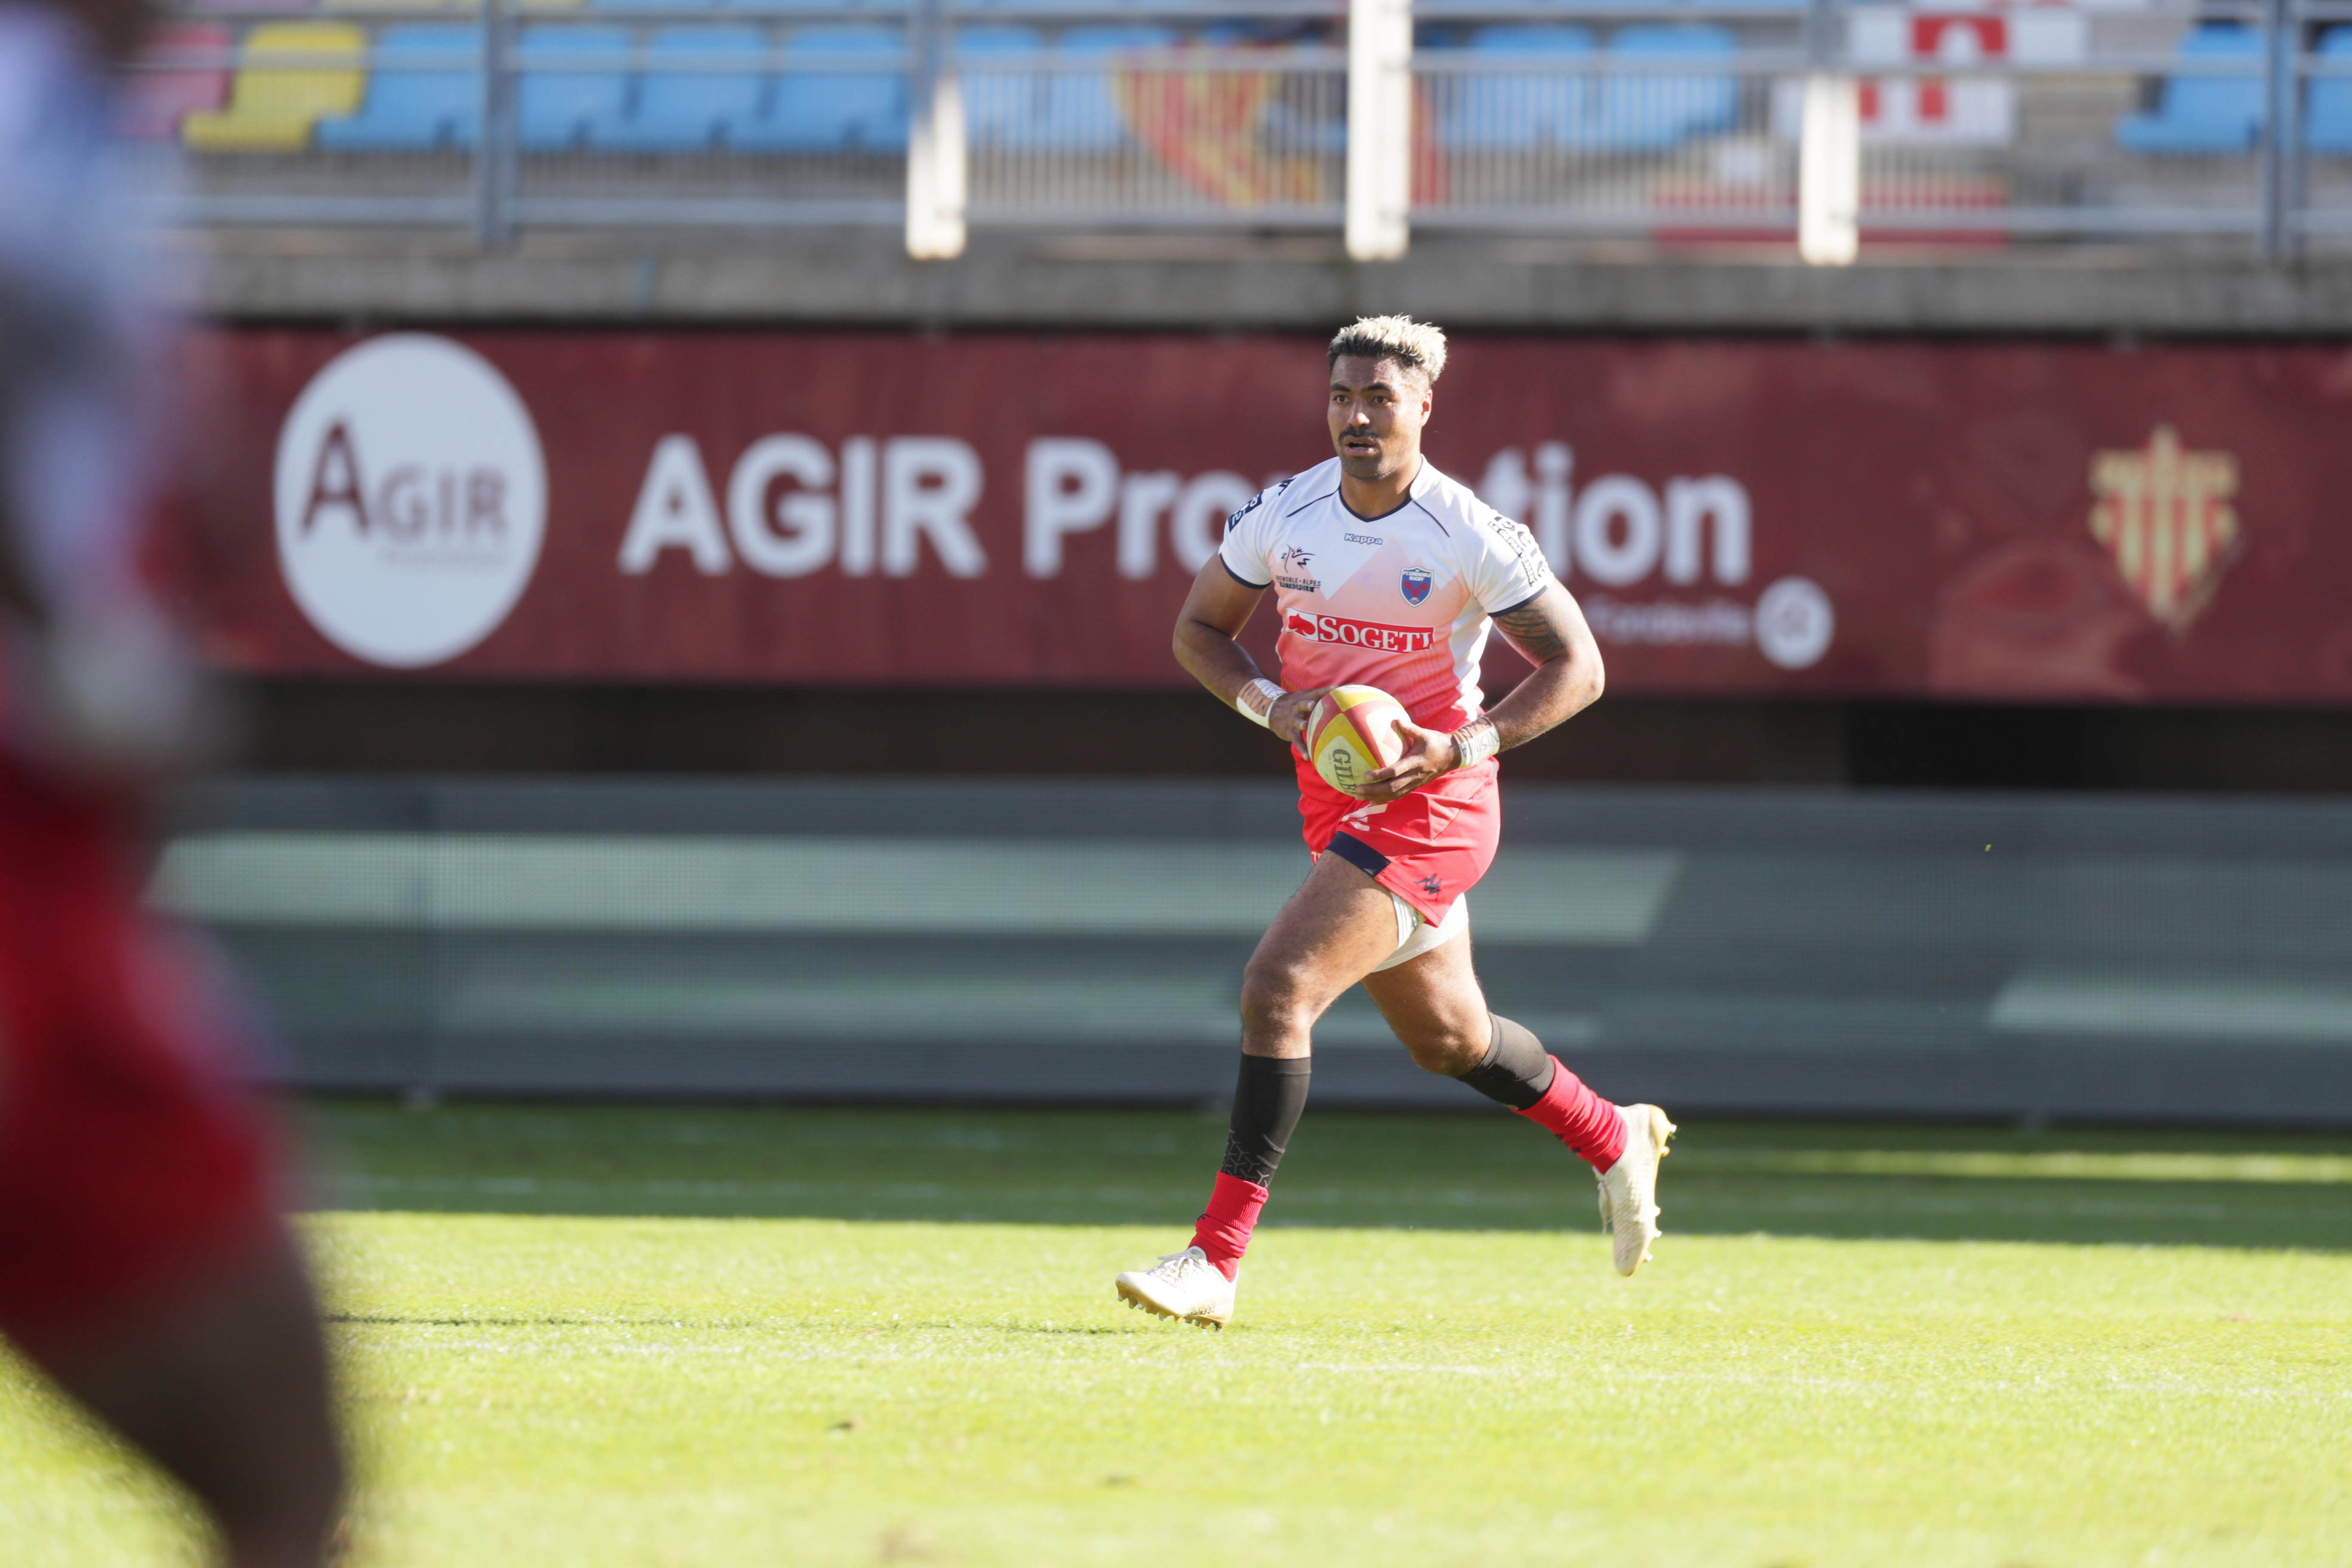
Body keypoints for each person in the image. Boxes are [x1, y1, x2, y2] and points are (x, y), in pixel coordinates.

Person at [1114, 315, 1674, 1329]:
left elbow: (1579, 669)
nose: (1357, 416)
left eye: (1380, 397)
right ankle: (1612, 1134)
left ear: (1424, 405)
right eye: (1342, 397)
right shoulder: (1285, 514)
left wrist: (1460, 749)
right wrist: (1274, 706)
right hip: (1337, 800)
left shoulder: (1469, 531)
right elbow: (1199, 631)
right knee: (1453, 1041)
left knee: (1278, 988)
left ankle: (1214, 1262)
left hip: (1436, 802)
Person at [0, 1, 346, 1561]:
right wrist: (65, 633)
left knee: (289, 1462)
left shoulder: (84, 124)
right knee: (284, 1465)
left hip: (59, 876)